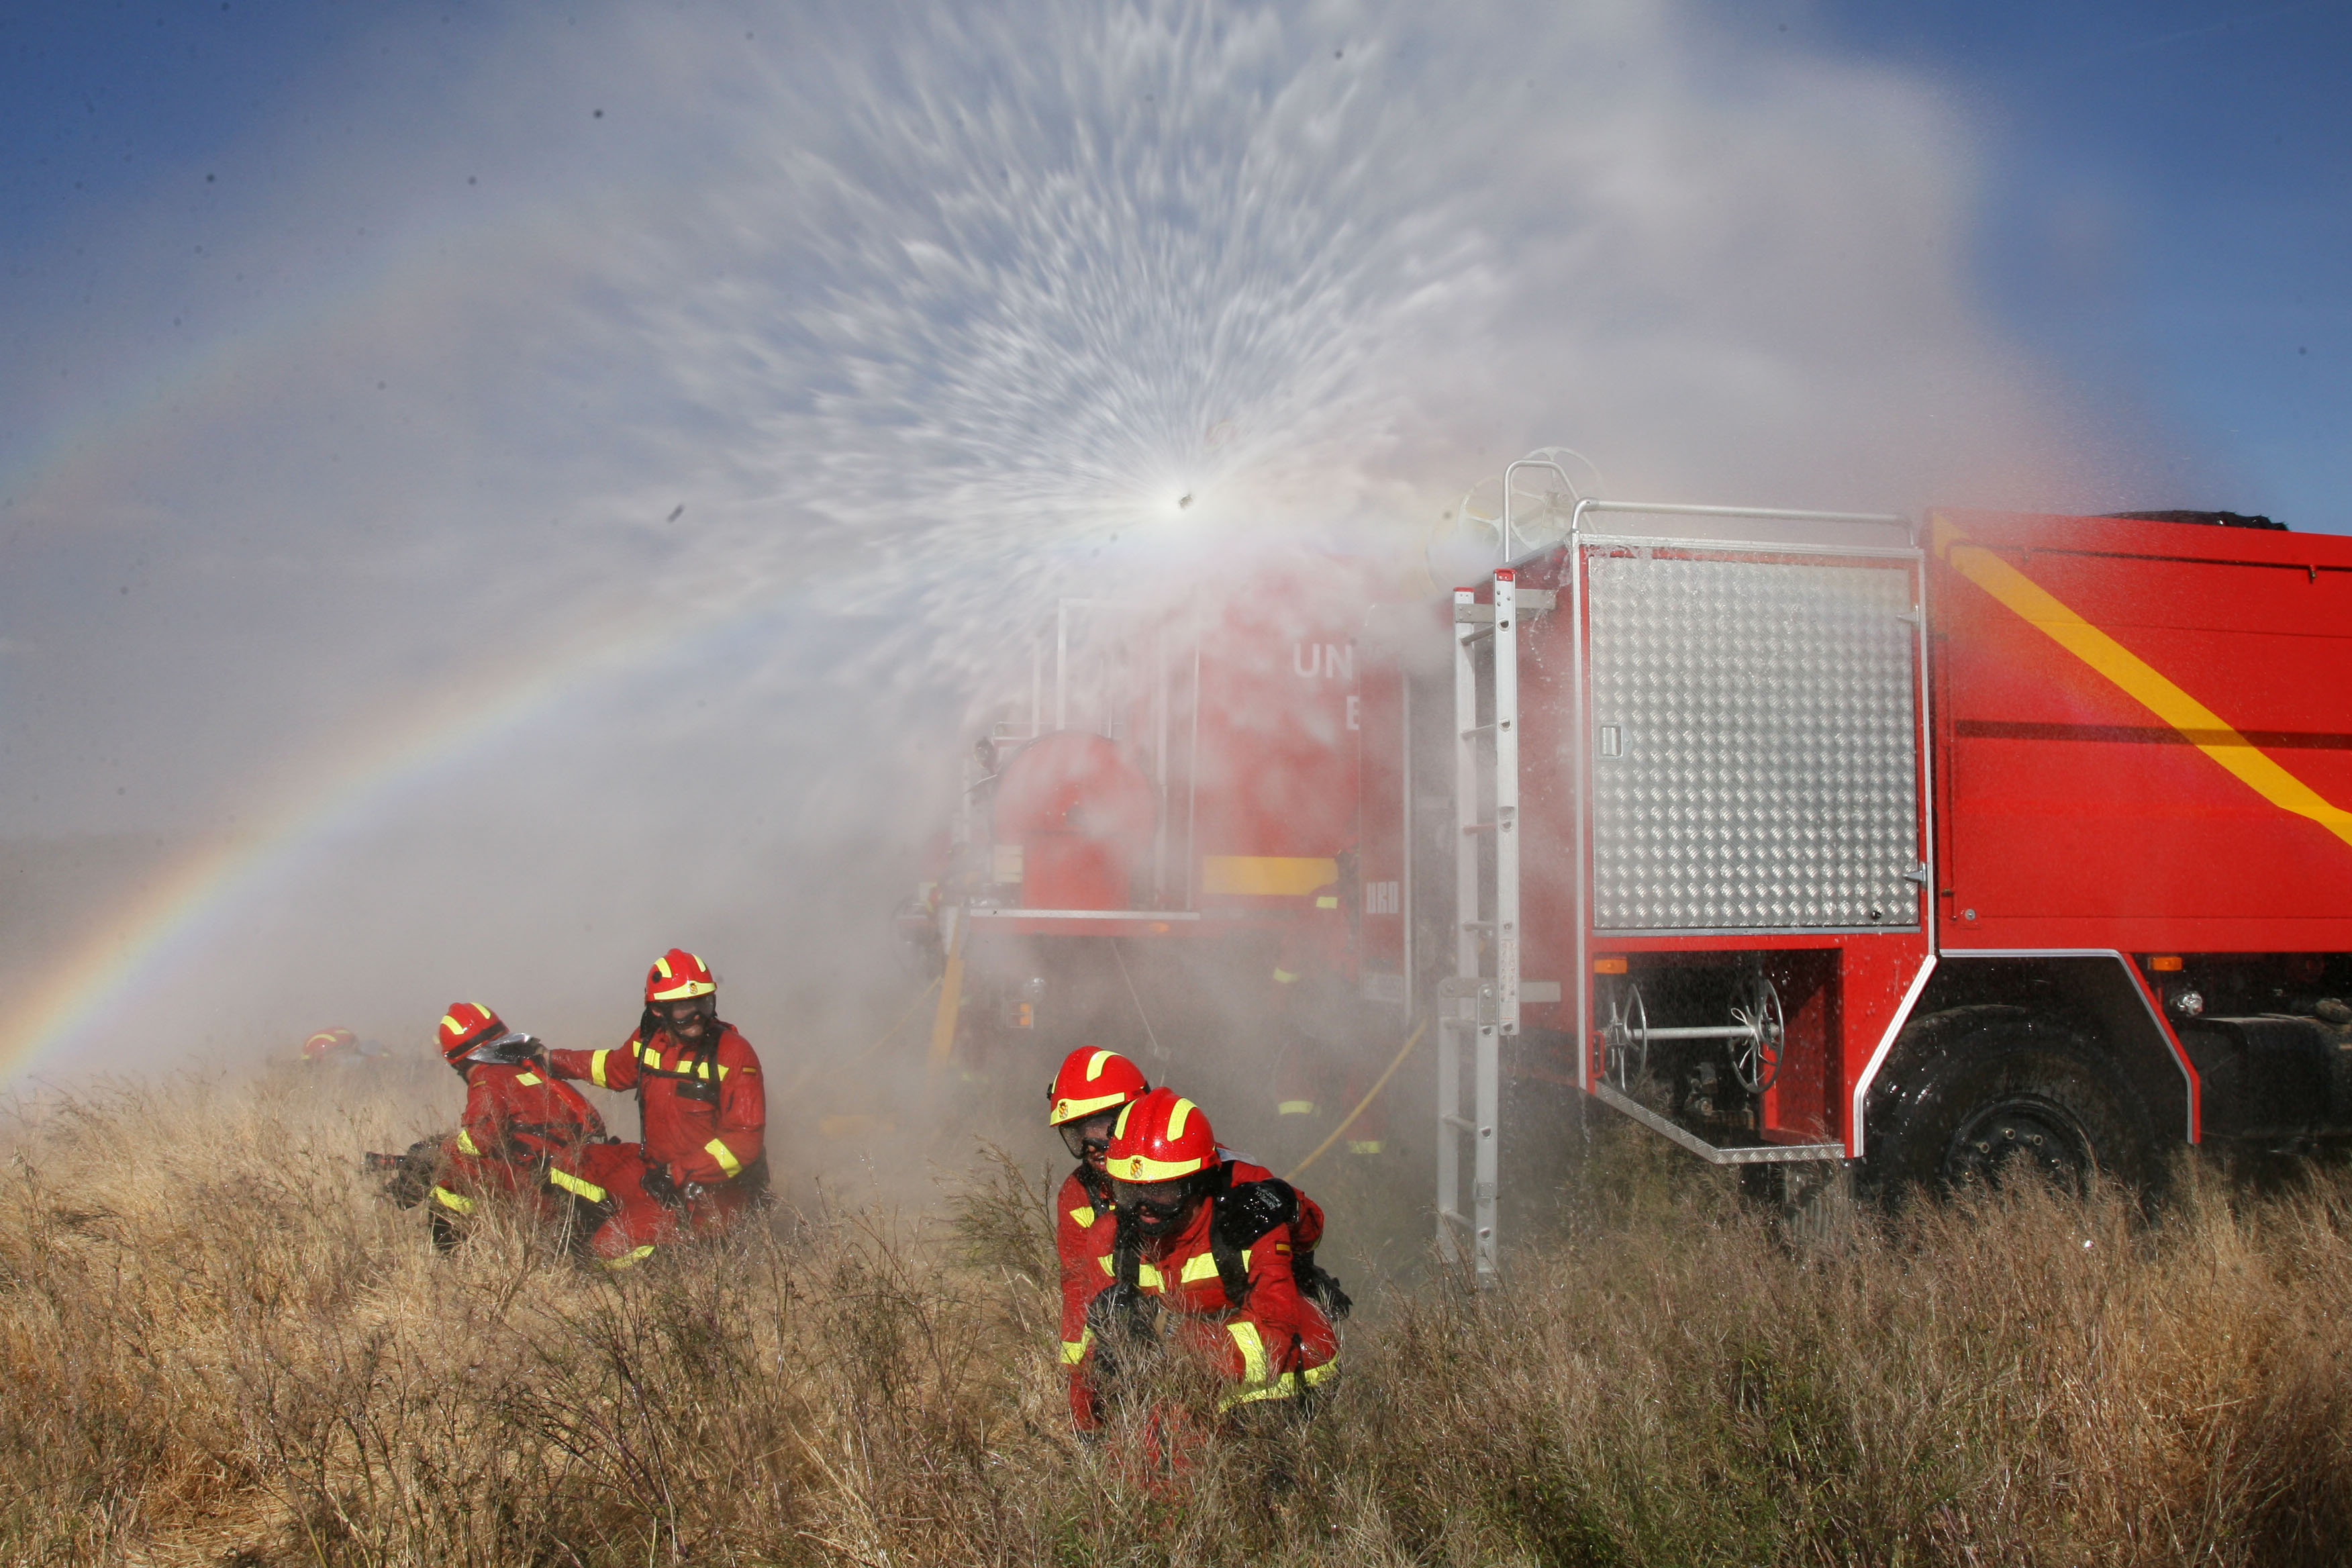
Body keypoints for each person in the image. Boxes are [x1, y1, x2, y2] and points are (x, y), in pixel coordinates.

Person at [1077, 1087, 1346, 1434]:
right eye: (1130, 1191)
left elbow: (1272, 1340)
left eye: (1161, 1191)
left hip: (1264, 1400)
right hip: (1179, 1391)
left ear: (1196, 1181)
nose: (1144, 1207)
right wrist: (1090, 1421)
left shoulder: (1247, 1221)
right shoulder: (1109, 1240)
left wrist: (1171, 1345)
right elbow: (1099, 1350)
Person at [424, 1002, 677, 1269]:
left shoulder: (488, 1079)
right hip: (586, 1171)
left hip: (554, 1182)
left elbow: (481, 1140)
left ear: (457, 1061)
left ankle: (462, 1265)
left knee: (453, 1172)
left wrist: (439, 1151)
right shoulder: (529, 1072)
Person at [548, 948, 769, 1234]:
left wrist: (679, 1173)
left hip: (711, 1195)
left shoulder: (733, 1053)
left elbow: (744, 1140)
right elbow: (610, 1068)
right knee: (568, 1161)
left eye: (704, 1004)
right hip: (656, 1175)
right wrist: (549, 1059)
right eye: (684, 1008)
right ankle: (609, 1223)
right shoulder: (648, 1042)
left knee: (611, 1246)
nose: (697, 1016)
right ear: (657, 1010)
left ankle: (653, 1240)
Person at [1045, 1046, 1154, 1430]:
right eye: (1077, 1134)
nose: (1090, 1145)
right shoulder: (1078, 1195)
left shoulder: (1190, 1170)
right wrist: (1083, 1413)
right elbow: (1078, 1292)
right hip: (1129, 1351)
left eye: (1101, 1126)